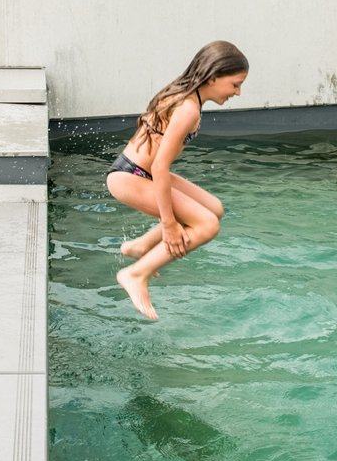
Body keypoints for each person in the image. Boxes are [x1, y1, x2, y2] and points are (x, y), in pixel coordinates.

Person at [106, 40, 249, 320]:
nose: (238, 92)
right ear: (213, 77)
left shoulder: (185, 94)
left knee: (214, 208)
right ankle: (136, 274)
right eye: (235, 84)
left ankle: (141, 246)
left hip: (136, 172)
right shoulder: (188, 110)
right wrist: (169, 225)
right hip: (132, 178)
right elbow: (160, 166)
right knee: (207, 225)